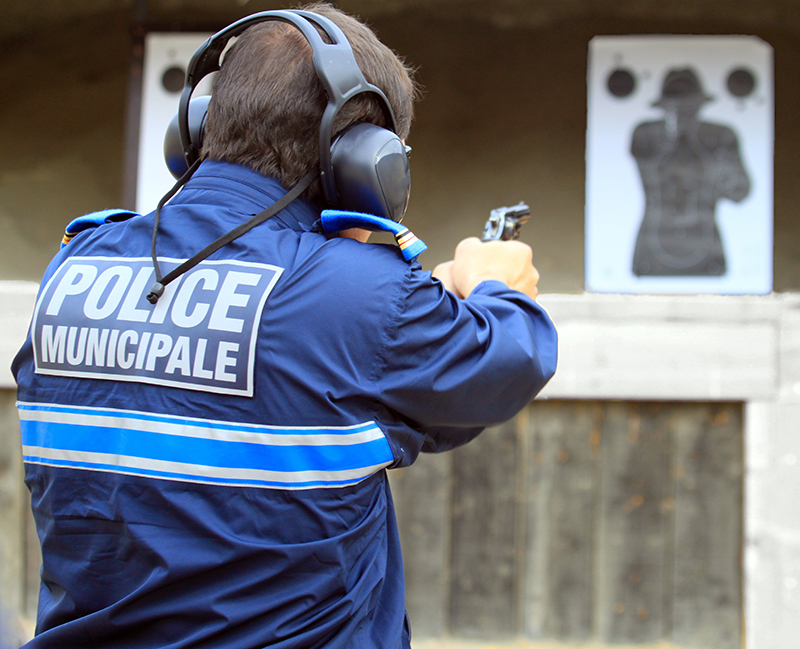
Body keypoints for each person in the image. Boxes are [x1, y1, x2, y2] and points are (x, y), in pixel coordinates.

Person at [12, 3, 557, 648]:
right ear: (366, 160)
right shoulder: (359, 294)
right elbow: (506, 361)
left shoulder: (74, 266)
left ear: (193, 128)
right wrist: (498, 284)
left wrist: (345, 270)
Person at [631, 67, 751, 276]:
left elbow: (740, 191)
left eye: (688, 109)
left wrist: (717, 170)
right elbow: (646, 163)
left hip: (705, 246)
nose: (682, 115)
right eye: (674, 109)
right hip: (655, 246)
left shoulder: (721, 137)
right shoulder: (646, 135)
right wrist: (671, 138)